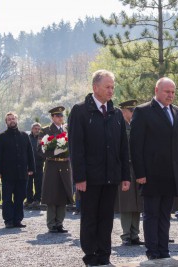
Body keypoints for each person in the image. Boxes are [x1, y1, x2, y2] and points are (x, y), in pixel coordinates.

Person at [68, 70, 130, 266]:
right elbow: (76, 148)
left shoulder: (116, 113)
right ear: (95, 88)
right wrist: (79, 178)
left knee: (106, 218)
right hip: (89, 178)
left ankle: (104, 254)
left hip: (111, 176)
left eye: (113, 87)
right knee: (90, 218)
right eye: (107, 87)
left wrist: (125, 176)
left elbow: (123, 147)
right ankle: (90, 256)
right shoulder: (79, 111)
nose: (111, 90)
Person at [130, 77, 178, 260]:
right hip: (152, 174)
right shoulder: (143, 111)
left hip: (172, 174)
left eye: (173, 92)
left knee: (165, 214)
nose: (170, 95)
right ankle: (152, 251)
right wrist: (140, 173)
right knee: (151, 214)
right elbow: (135, 145)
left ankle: (164, 250)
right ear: (157, 90)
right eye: (167, 91)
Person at [0, 112, 35, 228]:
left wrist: (31, 168)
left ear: (17, 120)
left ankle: (17, 220)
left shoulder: (24, 136)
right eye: (9, 119)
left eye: (13, 119)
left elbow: (29, 153)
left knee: (20, 197)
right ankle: (8, 220)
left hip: (22, 173)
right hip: (7, 174)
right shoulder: (2, 137)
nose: (11, 121)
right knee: (7, 198)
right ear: (6, 122)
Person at [39, 107, 74, 233]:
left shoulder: (67, 129)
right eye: (57, 116)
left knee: (63, 194)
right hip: (52, 165)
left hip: (65, 165)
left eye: (61, 116)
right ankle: (51, 223)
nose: (60, 118)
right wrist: (55, 150)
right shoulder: (46, 131)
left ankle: (60, 222)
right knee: (52, 195)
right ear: (52, 117)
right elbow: (40, 150)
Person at [115, 99, 144, 246]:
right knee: (126, 203)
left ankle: (135, 234)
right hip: (124, 168)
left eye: (134, 110)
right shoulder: (118, 126)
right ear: (123, 111)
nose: (133, 113)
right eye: (130, 110)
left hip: (136, 167)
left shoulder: (135, 126)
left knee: (137, 202)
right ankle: (126, 234)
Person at [25, 122, 44, 207]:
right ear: (32, 129)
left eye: (39, 129)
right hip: (29, 165)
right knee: (28, 183)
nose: (37, 130)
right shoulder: (27, 138)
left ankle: (37, 199)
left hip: (39, 164)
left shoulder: (43, 139)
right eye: (35, 128)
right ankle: (29, 199)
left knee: (38, 183)